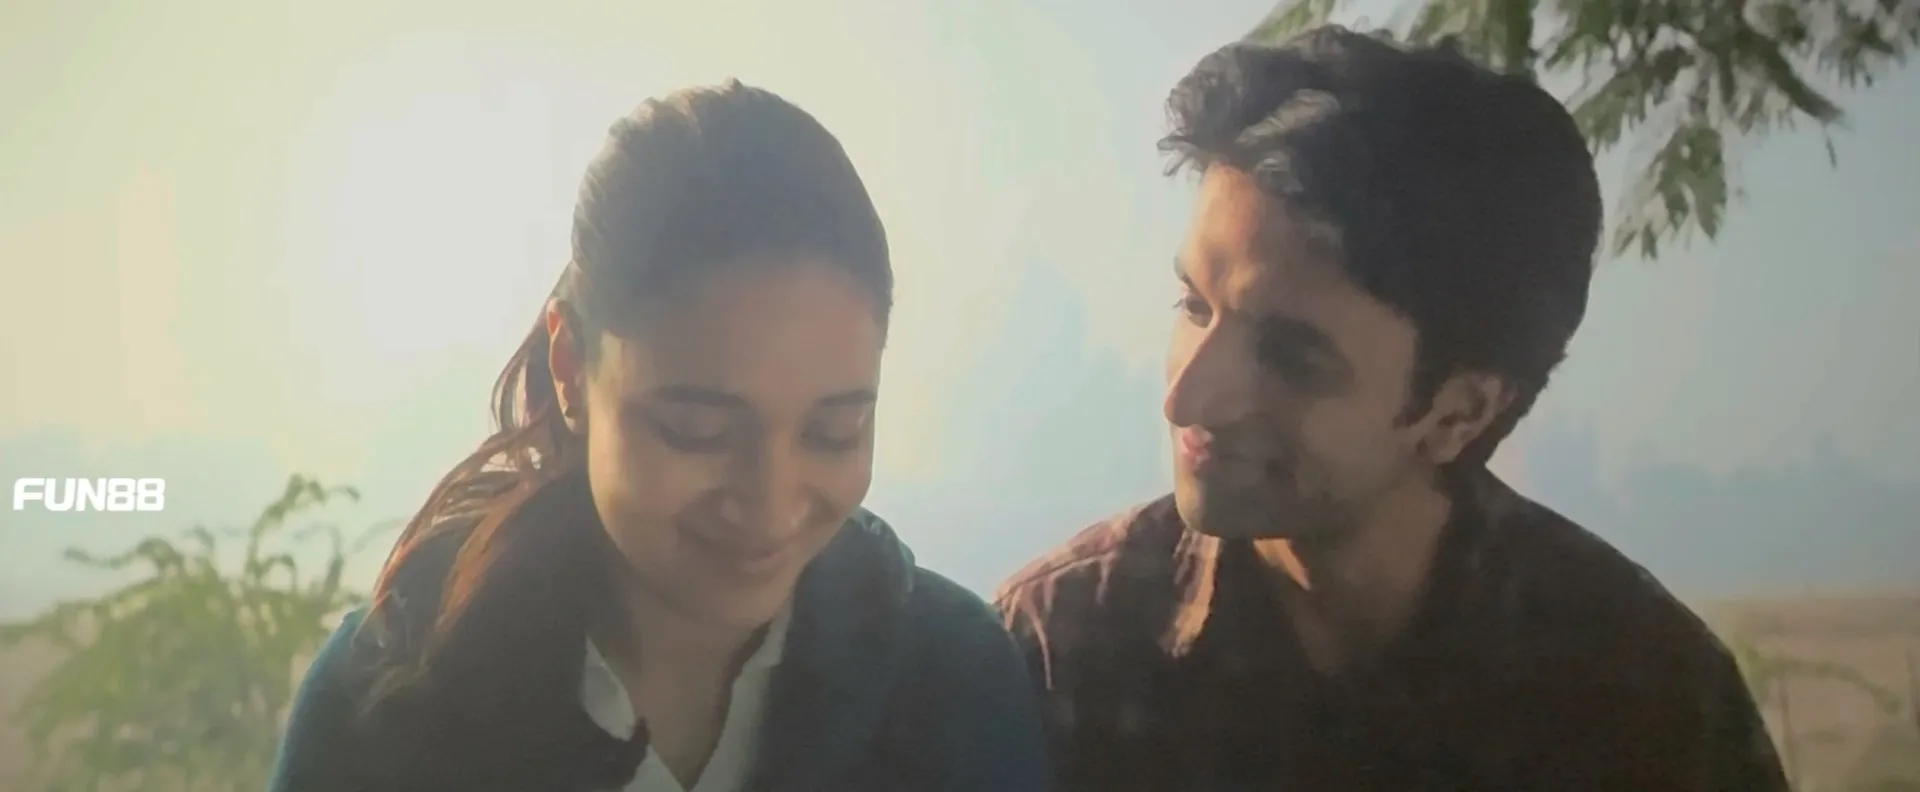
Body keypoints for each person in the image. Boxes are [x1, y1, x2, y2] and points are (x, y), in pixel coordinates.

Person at [994, 26, 1789, 792]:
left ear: (1457, 414)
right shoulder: (1059, 648)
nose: (1186, 396)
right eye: (1194, 306)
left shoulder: (1639, 696)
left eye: (1291, 355)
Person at [269, 81, 1050, 792]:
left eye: (833, 433)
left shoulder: (950, 688)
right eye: (697, 430)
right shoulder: (392, 698)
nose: (771, 504)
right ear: (571, 368)